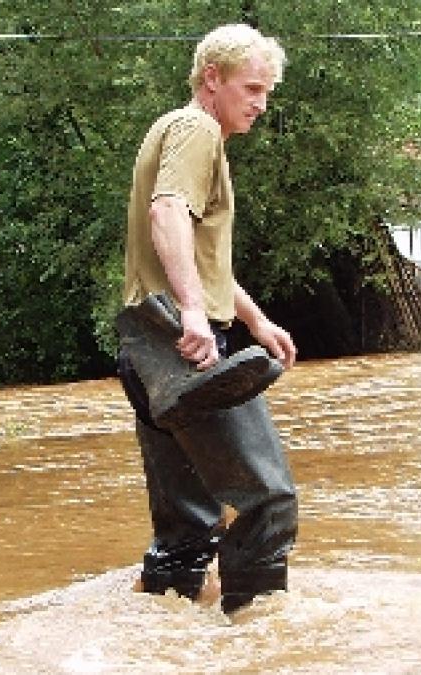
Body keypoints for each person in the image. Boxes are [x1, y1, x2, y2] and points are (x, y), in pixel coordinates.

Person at [116, 23, 299, 616]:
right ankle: (260, 642)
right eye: (251, 88)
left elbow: (200, 260)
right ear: (211, 79)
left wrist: (257, 321)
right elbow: (167, 212)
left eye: (267, 92)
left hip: (145, 342)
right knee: (267, 500)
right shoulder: (197, 129)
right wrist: (195, 313)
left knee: (188, 530)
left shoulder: (169, 130)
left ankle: (159, 635)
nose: (260, 104)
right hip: (184, 344)